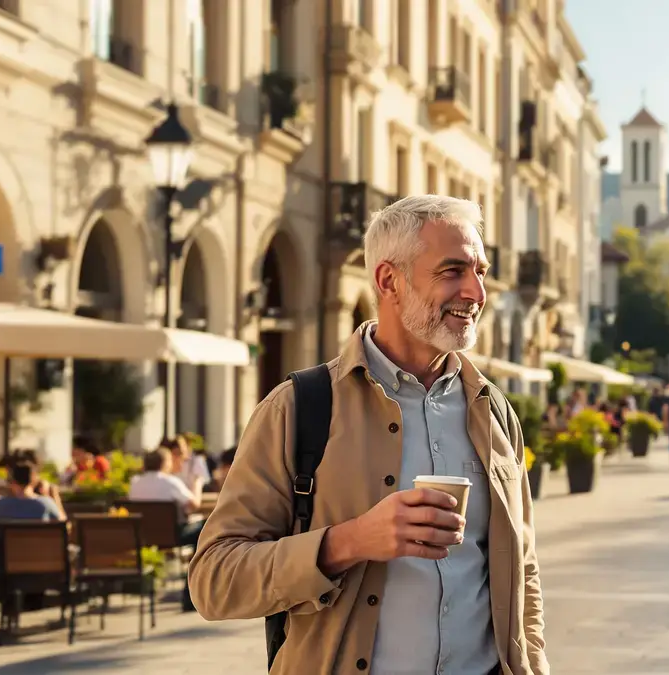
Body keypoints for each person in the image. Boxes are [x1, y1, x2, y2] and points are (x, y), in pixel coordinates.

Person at [188, 196, 548, 674]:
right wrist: (349, 542)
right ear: (388, 280)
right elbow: (214, 581)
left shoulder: (495, 412)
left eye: (480, 271)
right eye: (453, 271)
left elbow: (522, 572)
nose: (476, 291)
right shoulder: (299, 409)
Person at [129, 446, 203, 611]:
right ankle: (189, 595)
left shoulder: (135, 483)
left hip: (142, 537)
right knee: (204, 531)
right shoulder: (171, 482)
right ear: (164, 463)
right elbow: (194, 504)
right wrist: (197, 483)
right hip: (173, 536)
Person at [0, 462, 66, 523]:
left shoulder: (1, 506)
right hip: (40, 540)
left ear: (13, 482)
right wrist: (55, 496)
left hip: (11, 540)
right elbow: (64, 527)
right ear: (34, 481)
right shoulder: (47, 503)